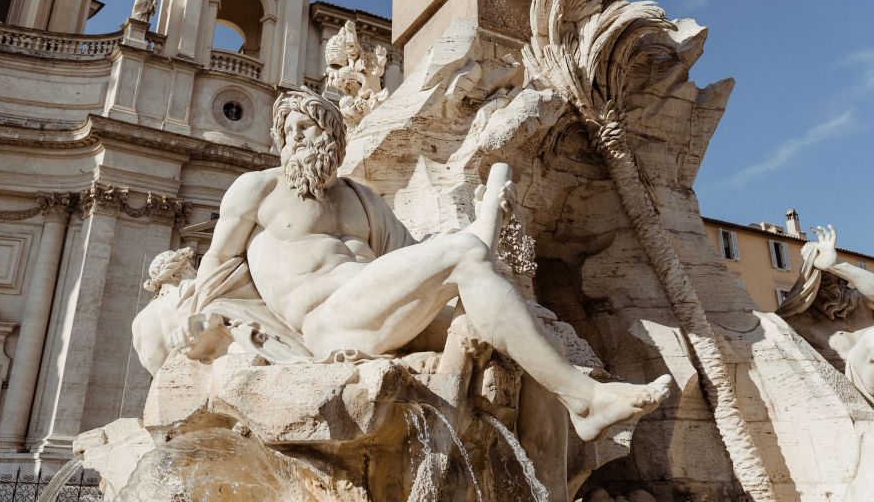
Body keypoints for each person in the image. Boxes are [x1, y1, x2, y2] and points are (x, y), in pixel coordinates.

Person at [172, 88, 671, 442]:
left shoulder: (363, 201)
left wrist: (486, 221)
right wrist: (199, 324)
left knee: (529, 330)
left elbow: (415, 262)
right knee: (465, 252)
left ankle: (558, 463)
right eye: (291, 131)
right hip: (325, 322)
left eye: (310, 127)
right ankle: (586, 398)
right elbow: (216, 265)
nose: (300, 139)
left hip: (378, 310)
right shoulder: (258, 188)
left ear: (333, 137)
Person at [779, 225, 874, 403]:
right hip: (849, 392)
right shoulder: (800, 323)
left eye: (837, 278)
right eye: (823, 278)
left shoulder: (860, 301)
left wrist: (838, 265)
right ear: (810, 287)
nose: (834, 284)